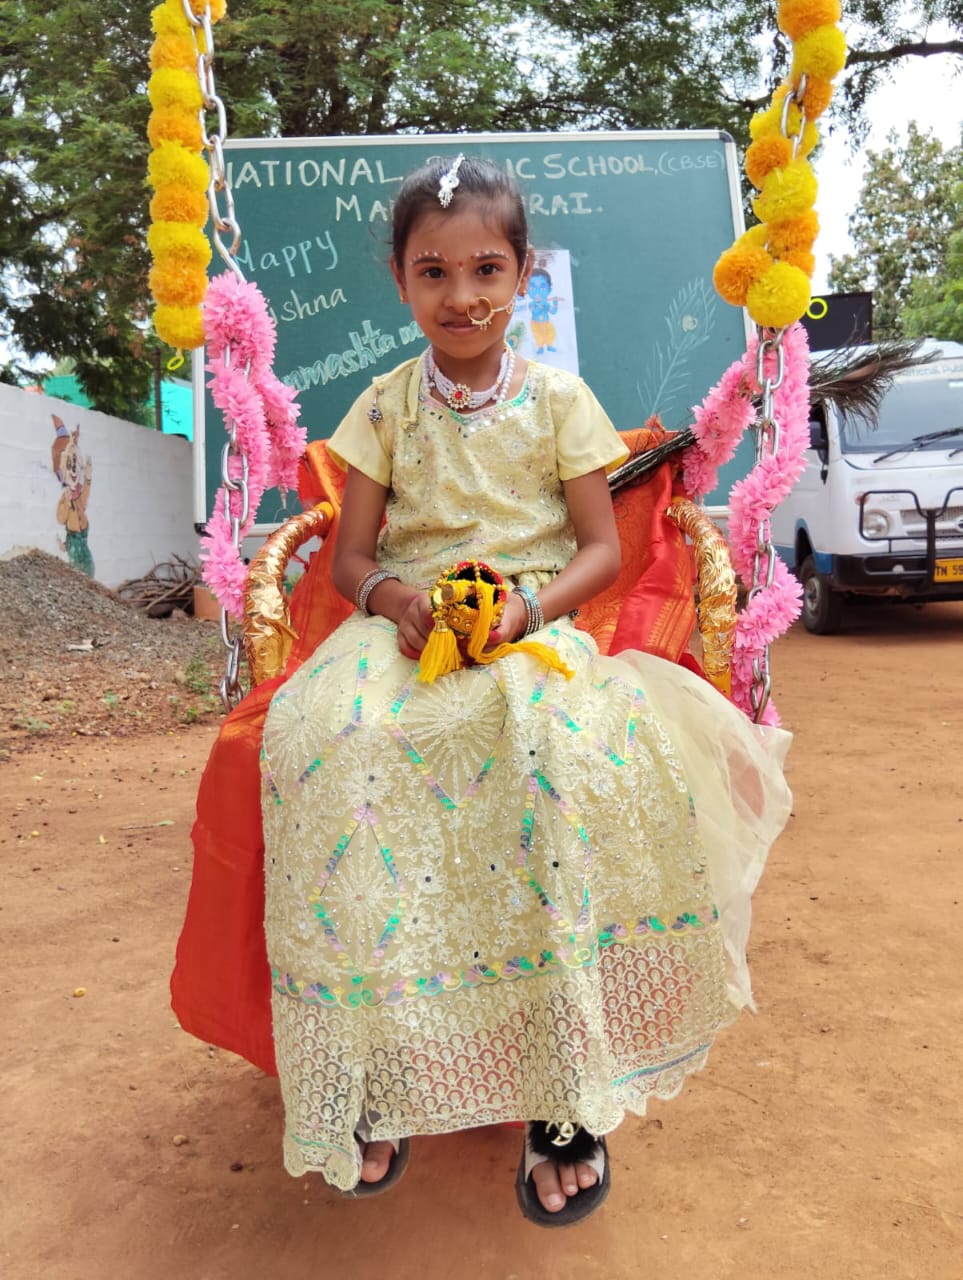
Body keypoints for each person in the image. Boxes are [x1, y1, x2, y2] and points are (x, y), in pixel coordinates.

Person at [257, 154, 791, 1225]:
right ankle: (371, 1072)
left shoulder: (557, 399)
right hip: (402, 632)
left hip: (532, 626)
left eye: (486, 270)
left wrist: (526, 612)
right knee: (329, 742)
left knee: (562, 758)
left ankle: (566, 1095)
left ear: (523, 273)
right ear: (401, 280)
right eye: (433, 272)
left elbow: (600, 549)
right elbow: (351, 558)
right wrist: (398, 600)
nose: (462, 296)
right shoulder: (384, 406)